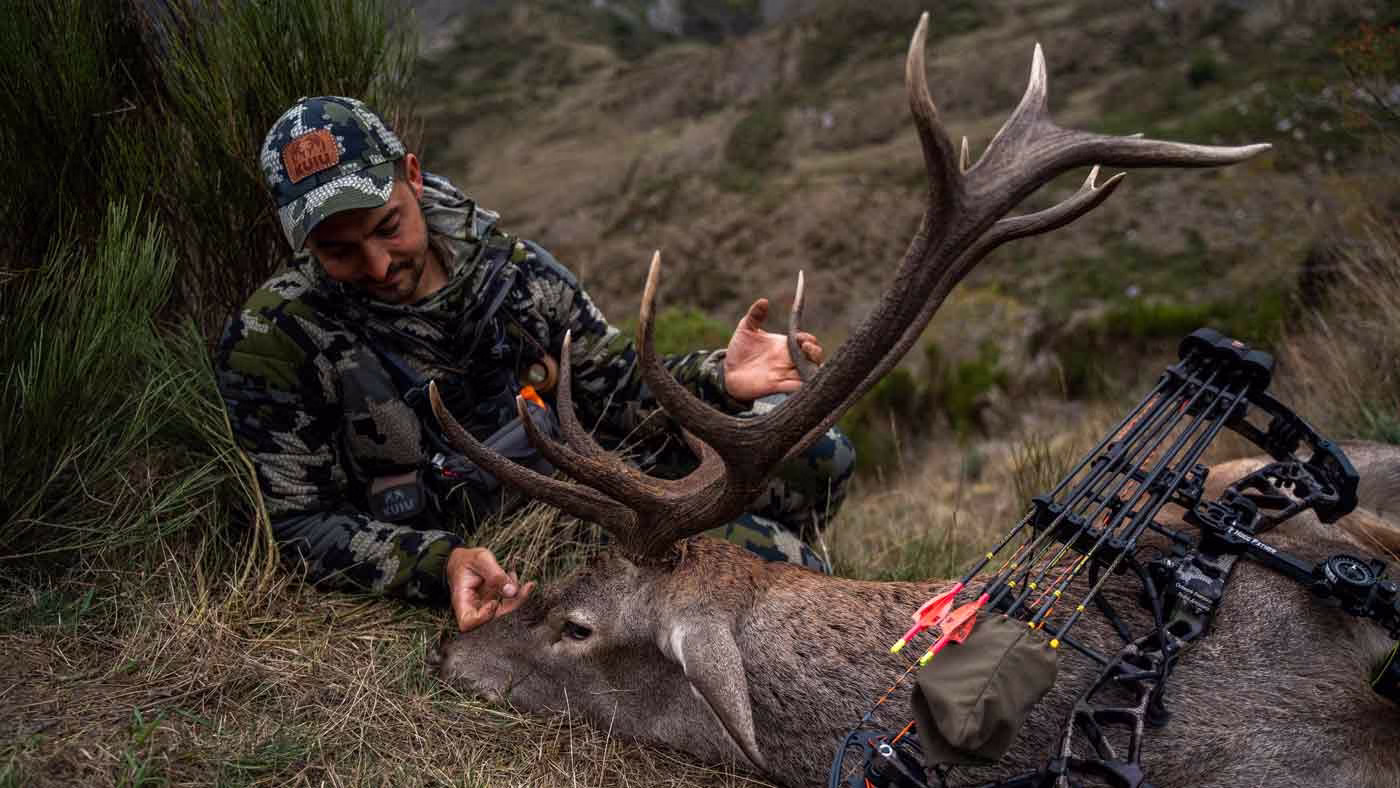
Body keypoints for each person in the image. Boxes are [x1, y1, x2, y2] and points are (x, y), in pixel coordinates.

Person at [216, 96, 855, 633]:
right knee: (787, 570)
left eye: (389, 227)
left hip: (578, 481)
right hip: (502, 542)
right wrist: (437, 564)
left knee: (820, 453)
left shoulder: (514, 272)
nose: (379, 265)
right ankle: (768, 555)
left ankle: (758, 537)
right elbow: (296, 525)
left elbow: (608, 382)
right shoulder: (273, 339)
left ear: (412, 176)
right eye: (339, 250)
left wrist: (718, 379)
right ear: (298, 243)